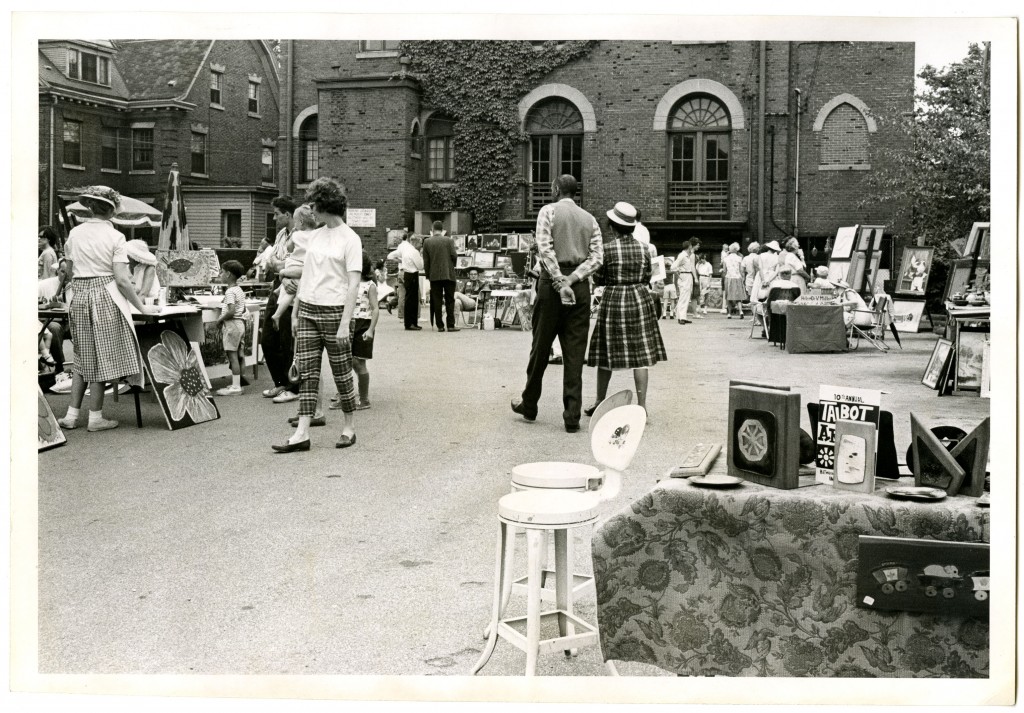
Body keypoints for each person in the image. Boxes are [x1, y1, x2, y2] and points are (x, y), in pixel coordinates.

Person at [56, 186, 157, 433]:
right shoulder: (116, 237)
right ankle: (95, 417)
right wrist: (140, 306)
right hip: (105, 294)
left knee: (82, 356)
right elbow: (122, 280)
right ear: (112, 211)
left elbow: (68, 272)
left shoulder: (75, 234)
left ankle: (71, 415)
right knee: (101, 355)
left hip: (79, 295)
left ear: (89, 207)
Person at [273, 177, 362, 453]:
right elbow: (308, 277)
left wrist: (346, 323)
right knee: (308, 373)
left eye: (313, 205)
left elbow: (354, 284)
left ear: (325, 205)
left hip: (336, 313)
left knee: (341, 374)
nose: (310, 210)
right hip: (309, 309)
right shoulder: (315, 236)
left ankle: (348, 427)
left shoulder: (351, 239)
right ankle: (301, 433)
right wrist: (296, 312)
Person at [511, 174, 603, 433]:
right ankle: (571, 416)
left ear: (555, 189)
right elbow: (597, 258)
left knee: (540, 346)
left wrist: (560, 281)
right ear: (576, 193)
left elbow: (545, 248)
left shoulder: (547, 211)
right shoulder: (590, 219)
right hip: (580, 285)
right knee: (574, 352)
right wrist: (573, 279)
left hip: (551, 286)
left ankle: (529, 404)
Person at [585, 201, 666, 414]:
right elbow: (650, 275)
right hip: (639, 298)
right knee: (641, 354)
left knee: (606, 352)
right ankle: (642, 406)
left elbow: (599, 279)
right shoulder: (645, 249)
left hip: (614, 299)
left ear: (612, 226)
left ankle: (599, 401)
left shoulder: (607, 250)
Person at [260, 195, 301, 402]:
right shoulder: (280, 235)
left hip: (292, 288)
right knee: (267, 338)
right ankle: (280, 382)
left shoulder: (300, 234)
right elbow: (272, 261)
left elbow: (287, 264)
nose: (274, 218)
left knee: (287, 339)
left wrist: (280, 266)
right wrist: (281, 267)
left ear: (287, 214)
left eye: (277, 214)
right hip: (279, 285)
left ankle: (293, 387)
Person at [270, 203, 317, 329]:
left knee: (289, 287)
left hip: (292, 263)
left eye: (296, 222)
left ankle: (278, 298)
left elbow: (289, 248)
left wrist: (294, 235)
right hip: (301, 265)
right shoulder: (316, 236)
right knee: (292, 290)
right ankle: (278, 314)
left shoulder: (296, 234)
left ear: (301, 222)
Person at [214, 260, 249, 396]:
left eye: (222, 272)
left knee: (232, 356)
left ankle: (236, 387)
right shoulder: (238, 290)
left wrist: (220, 320)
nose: (221, 274)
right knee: (238, 354)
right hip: (240, 324)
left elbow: (231, 311)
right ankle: (237, 383)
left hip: (232, 325)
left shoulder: (229, 292)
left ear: (228, 274)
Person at [350, 251, 379, 409]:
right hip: (349, 322)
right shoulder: (348, 282)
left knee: (358, 362)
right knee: (346, 362)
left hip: (364, 324)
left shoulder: (370, 285)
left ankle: (364, 398)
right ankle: (345, 396)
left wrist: (370, 330)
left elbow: (375, 309)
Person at [422, 220, 459, 332]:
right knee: (450, 300)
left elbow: (426, 261)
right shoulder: (449, 240)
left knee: (437, 300)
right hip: (448, 274)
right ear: (443, 230)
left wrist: (428, 275)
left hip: (434, 275)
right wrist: (452, 266)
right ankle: (451, 325)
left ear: (432, 229)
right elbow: (454, 255)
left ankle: (440, 326)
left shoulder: (427, 242)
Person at [388, 230, 424, 331]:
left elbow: (391, 255)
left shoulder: (406, 250)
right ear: (415, 242)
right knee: (412, 300)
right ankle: (411, 323)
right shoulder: (415, 252)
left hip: (406, 274)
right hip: (413, 274)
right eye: (420, 243)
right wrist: (421, 257)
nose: (421, 245)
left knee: (408, 299)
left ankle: (409, 323)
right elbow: (420, 266)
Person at [670, 239, 698, 323]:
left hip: (687, 275)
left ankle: (682, 317)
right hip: (685, 275)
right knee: (683, 296)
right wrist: (679, 272)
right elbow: (673, 266)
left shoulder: (687, 255)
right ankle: (681, 317)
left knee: (686, 297)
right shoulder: (682, 255)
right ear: (689, 247)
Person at [750, 239, 781, 304]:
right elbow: (776, 271)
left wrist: (763, 280)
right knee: (771, 295)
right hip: (772, 276)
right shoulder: (777, 257)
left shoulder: (761, 255)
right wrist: (769, 281)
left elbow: (760, 268)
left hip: (762, 274)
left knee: (758, 293)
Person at [720, 243, 746, 318]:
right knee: (738, 296)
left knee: (728, 296)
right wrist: (743, 278)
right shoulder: (739, 258)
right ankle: (741, 311)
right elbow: (741, 270)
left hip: (729, 278)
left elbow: (724, 270)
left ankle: (729, 313)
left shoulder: (726, 258)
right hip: (738, 277)